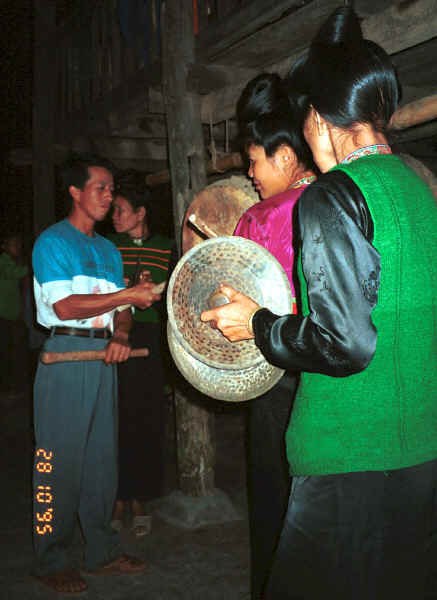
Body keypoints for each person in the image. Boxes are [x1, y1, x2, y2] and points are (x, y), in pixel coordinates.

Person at [201, 7, 437, 599]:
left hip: (347, 453)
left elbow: (344, 341)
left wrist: (256, 323)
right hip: (423, 453)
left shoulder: (331, 196)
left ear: (317, 119)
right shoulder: (419, 185)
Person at [32, 154, 161, 595]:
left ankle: (101, 551)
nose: (109, 196)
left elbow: (121, 312)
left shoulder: (108, 250)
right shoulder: (53, 242)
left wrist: (122, 334)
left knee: (101, 461)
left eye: (111, 189)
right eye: (100, 188)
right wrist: (128, 295)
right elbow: (65, 307)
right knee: (55, 464)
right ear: (75, 191)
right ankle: (50, 557)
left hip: (104, 357)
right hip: (65, 356)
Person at [233, 73, 316, 600]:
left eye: (255, 161)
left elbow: (228, 292)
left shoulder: (261, 216)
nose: (250, 173)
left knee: (272, 495)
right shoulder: (342, 196)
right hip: (332, 374)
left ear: (284, 156)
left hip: (275, 374)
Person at [109, 183, 174, 537]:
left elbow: (176, 299)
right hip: (115, 337)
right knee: (116, 417)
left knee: (146, 418)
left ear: (140, 213)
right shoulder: (107, 247)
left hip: (149, 340)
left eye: (121, 209)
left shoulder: (165, 248)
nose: (114, 215)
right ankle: (118, 497)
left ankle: (141, 499)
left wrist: (156, 291)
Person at [0, 232, 29, 399]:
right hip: (4, 316)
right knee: (7, 353)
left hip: (12, 316)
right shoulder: (3, 261)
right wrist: (35, 265)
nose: (17, 247)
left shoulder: (11, 261)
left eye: (19, 244)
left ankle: (12, 387)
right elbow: (16, 273)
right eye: (14, 244)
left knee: (13, 352)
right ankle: (7, 389)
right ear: (4, 247)